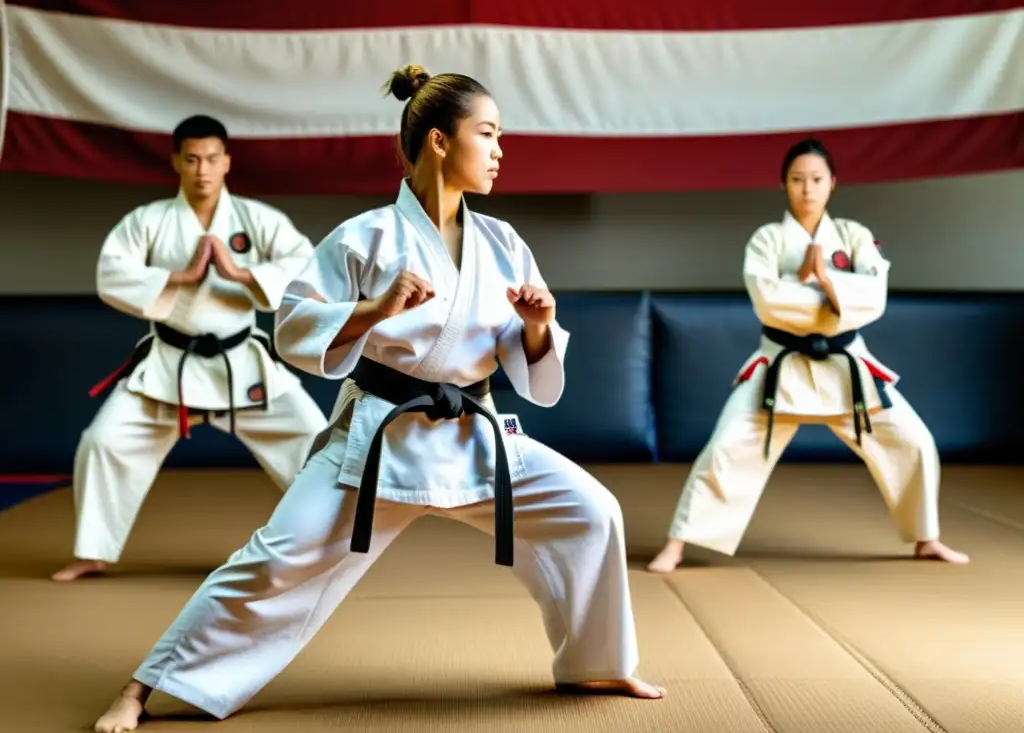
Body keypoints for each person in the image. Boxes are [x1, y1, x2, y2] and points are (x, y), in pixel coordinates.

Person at [92, 65, 664, 733]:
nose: (502, 150)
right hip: (379, 441)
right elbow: (296, 328)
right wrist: (373, 308)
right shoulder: (365, 238)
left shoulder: (502, 243)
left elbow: (527, 360)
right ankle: (143, 686)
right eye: (488, 133)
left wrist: (537, 326)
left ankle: (597, 661)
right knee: (276, 559)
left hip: (473, 433)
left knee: (593, 511)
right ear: (440, 142)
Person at [647, 137, 970, 574]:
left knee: (913, 442)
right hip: (781, 366)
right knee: (725, 447)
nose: (807, 189)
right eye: (797, 180)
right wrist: (831, 289)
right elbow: (767, 301)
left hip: (846, 367)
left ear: (832, 183)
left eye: (816, 179)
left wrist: (823, 280)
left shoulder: (854, 236)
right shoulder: (767, 240)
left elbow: (873, 297)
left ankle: (927, 538)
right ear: (784, 184)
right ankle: (678, 544)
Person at [53, 115, 328, 583]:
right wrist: (178, 277)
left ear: (227, 163)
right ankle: (93, 553)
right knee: (103, 443)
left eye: (212, 159)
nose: (203, 169)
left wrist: (240, 273)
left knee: (318, 443)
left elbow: (307, 266)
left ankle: (328, 548)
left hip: (241, 364)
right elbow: (111, 272)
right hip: (168, 366)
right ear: (177, 162)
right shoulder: (148, 220)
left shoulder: (257, 219)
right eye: (193, 159)